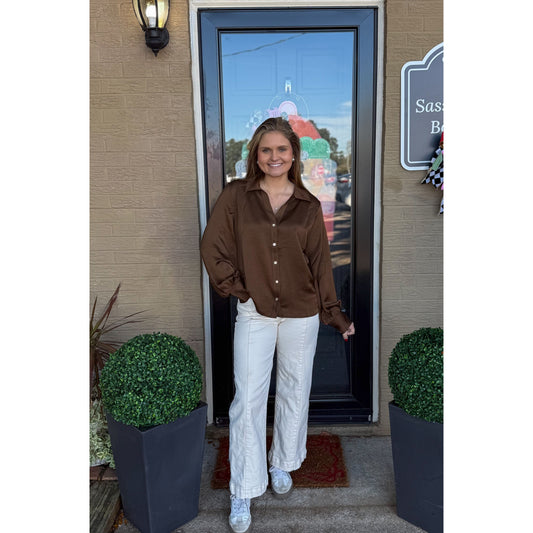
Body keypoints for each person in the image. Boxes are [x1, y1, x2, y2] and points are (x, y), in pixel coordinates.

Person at [200, 117, 355, 533]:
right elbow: (212, 246)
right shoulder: (236, 196)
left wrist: (334, 313)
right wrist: (240, 290)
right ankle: (243, 487)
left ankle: (282, 463)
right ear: (256, 155)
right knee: (246, 401)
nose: (274, 157)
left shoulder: (307, 205)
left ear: (293, 155)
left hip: (302, 314)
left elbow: (320, 266)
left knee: (294, 390)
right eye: (266, 149)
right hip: (255, 313)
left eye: (282, 149)